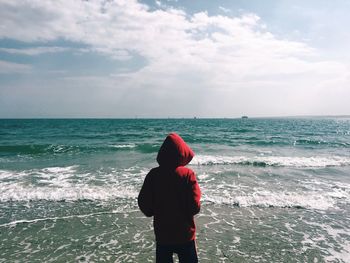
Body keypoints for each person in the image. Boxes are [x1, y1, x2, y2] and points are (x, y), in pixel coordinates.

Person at [138, 132, 201, 263]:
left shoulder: (153, 175)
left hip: (163, 235)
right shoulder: (188, 174)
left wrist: (152, 212)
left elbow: (143, 203)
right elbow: (195, 206)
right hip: (185, 234)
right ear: (182, 152)